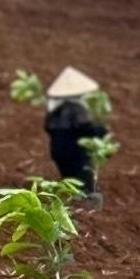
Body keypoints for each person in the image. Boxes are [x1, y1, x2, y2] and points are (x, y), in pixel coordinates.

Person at [42, 68, 110, 197]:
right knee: (85, 179)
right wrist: (101, 131)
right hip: (76, 153)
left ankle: (72, 199)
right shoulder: (76, 109)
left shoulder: (55, 112)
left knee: (70, 177)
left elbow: (48, 128)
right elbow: (87, 129)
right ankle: (87, 203)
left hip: (58, 152)